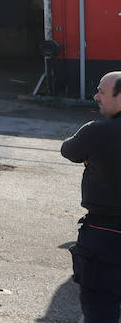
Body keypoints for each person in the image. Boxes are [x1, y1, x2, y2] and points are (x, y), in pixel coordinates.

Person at [62, 70, 121, 321]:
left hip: (104, 237)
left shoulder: (97, 132)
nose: (96, 97)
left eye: (102, 92)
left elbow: (69, 149)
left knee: (100, 308)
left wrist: (93, 157)